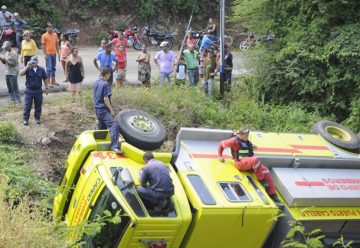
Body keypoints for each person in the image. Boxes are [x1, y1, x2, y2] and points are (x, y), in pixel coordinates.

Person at [217, 128, 280, 203]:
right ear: (240, 134)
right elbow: (221, 144)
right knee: (255, 159)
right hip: (240, 163)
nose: (247, 136)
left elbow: (246, 146)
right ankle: (261, 179)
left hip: (248, 164)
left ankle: (272, 194)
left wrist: (252, 146)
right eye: (246, 135)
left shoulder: (245, 140)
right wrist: (220, 156)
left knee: (265, 170)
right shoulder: (233, 141)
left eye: (248, 135)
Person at [93, 67, 122, 154]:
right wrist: (111, 110)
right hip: (103, 109)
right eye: (110, 74)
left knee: (102, 129)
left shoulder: (96, 82)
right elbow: (106, 99)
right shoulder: (105, 84)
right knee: (114, 125)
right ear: (107, 74)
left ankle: (99, 146)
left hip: (97, 109)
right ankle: (114, 147)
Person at [19, 56, 49, 126]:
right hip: (29, 91)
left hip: (38, 90)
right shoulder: (28, 69)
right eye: (32, 62)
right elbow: (20, 74)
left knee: (38, 106)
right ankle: (26, 119)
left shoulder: (41, 69)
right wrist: (27, 66)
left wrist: (47, 88)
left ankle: (37, 118)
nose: (33, 64)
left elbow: (45, 78)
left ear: (37, 62)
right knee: (27, 106)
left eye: (34, 62)